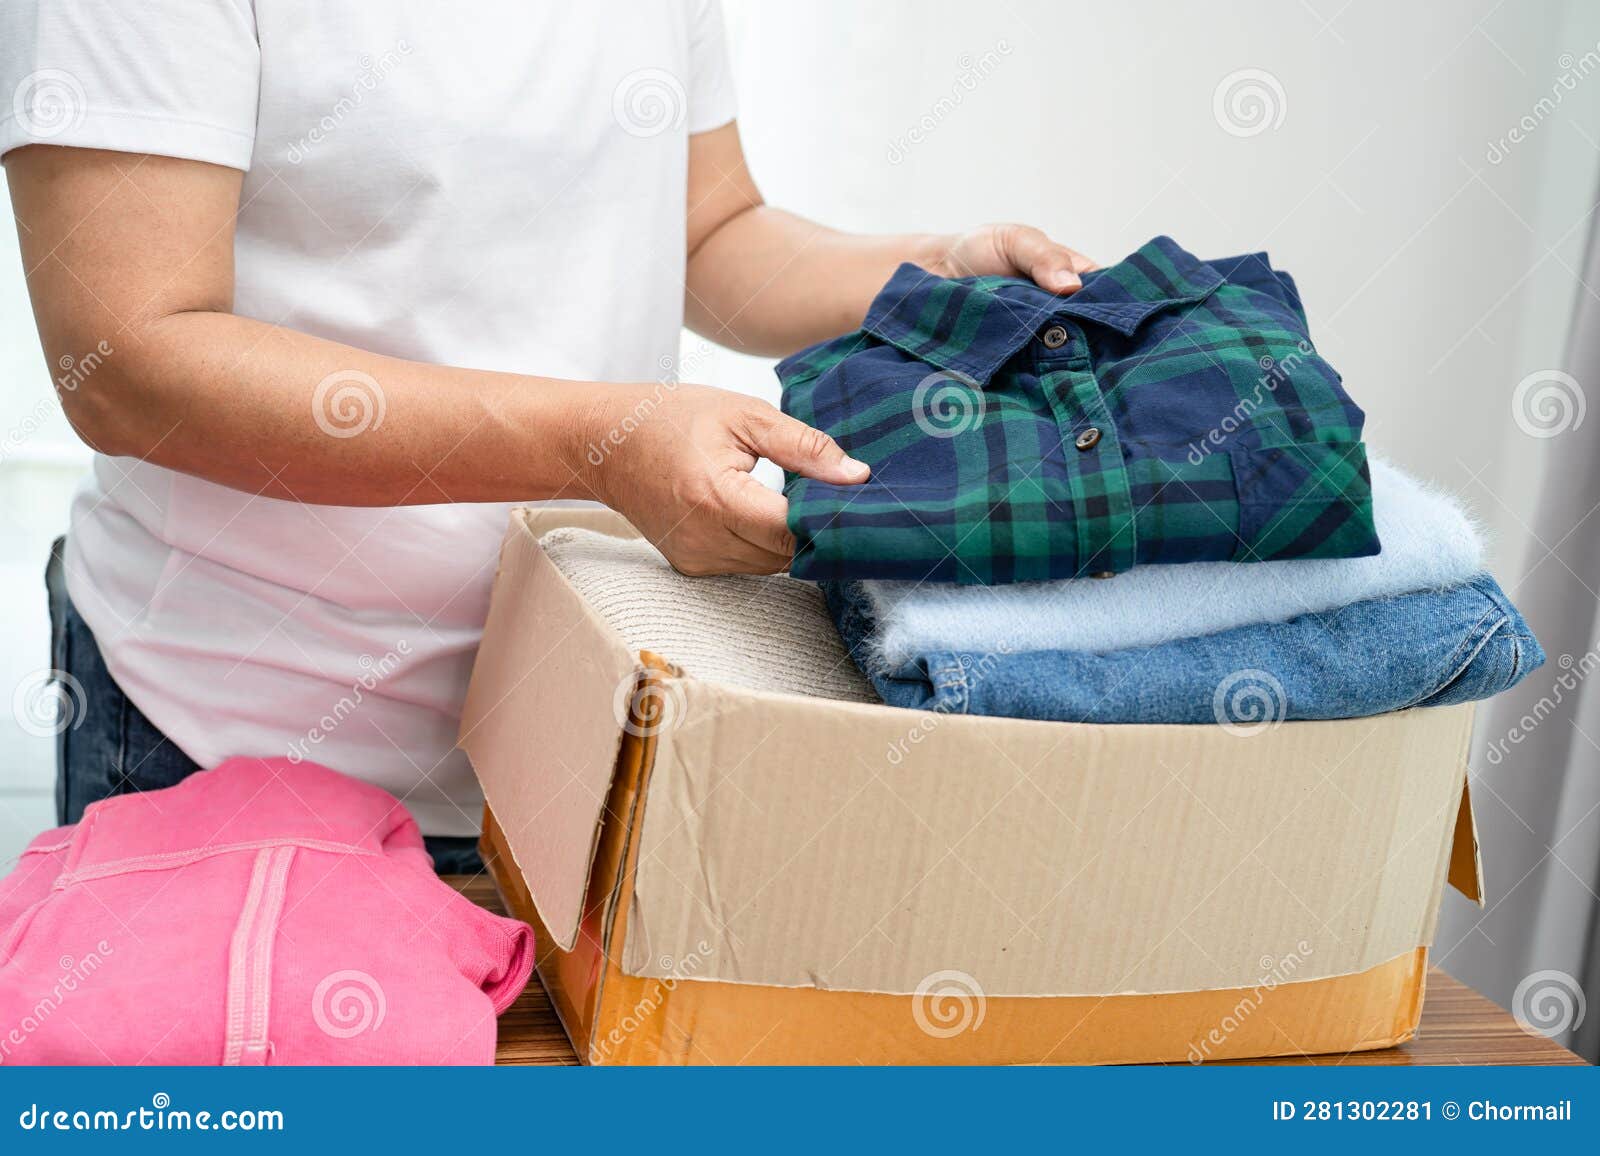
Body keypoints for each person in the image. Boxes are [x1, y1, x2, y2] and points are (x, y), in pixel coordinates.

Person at [2, 2, 1093, 872]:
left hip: (573, 741)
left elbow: (708, 231)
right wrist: (600, 446)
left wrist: (932, 276)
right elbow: (128, 364)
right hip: (239, 737)